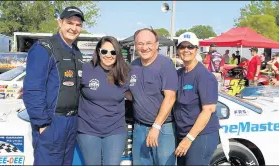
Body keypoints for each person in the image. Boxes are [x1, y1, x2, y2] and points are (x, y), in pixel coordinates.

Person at [23, 6, 85, 165]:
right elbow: (33, 89)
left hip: (71, 122)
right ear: (60, 22)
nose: (73, 28)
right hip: (52, 122)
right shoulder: (44, 48)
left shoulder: (76, 53)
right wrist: (42, 123)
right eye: (69, 23)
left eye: (78, 25)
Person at [76, 36, 131, 165]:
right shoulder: (85, 69)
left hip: (115, 129)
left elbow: (138, 93)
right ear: (98, 51)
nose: (108, 55)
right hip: (87, 129)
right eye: (104, 51)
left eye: (113, 52)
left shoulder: (126, 72)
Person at [129, 28, 178, 165]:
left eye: (149, 43)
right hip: (139, 128)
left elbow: (170, 97)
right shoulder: (133, 66)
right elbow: (131, 93)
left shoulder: (165, 65)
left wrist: (156, 127)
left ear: (156, 45)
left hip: (162, 129)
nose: (144, 47)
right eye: (140, 44)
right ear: (135, 45)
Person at [174, 32, 220, 165]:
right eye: (182, 47)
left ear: (197, 50)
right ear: (178, 50)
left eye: (190, 47)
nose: (186, 50)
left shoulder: (204, 76)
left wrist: (188, 139)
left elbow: (208, 110)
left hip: (200, 136)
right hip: (183, 134)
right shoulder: (178, 74)